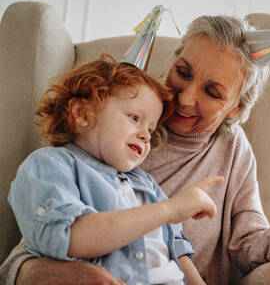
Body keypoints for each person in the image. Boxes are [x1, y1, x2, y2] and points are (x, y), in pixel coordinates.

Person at [0, 16, 270, 285]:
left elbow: (246, 242)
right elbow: (48, 229)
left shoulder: (231, 150)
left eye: (212, 92)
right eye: (182, 73)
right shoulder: (107, 125)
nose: (183, 100)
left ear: (235, 106)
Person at [6, 55, 222, 285]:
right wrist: (169, 209)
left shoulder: (146, 184)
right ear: (82, 114)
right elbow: (69, 236)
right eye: (134, 118)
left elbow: (176, 251)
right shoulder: (49, 165)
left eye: (151, 128)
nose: (145, 136)